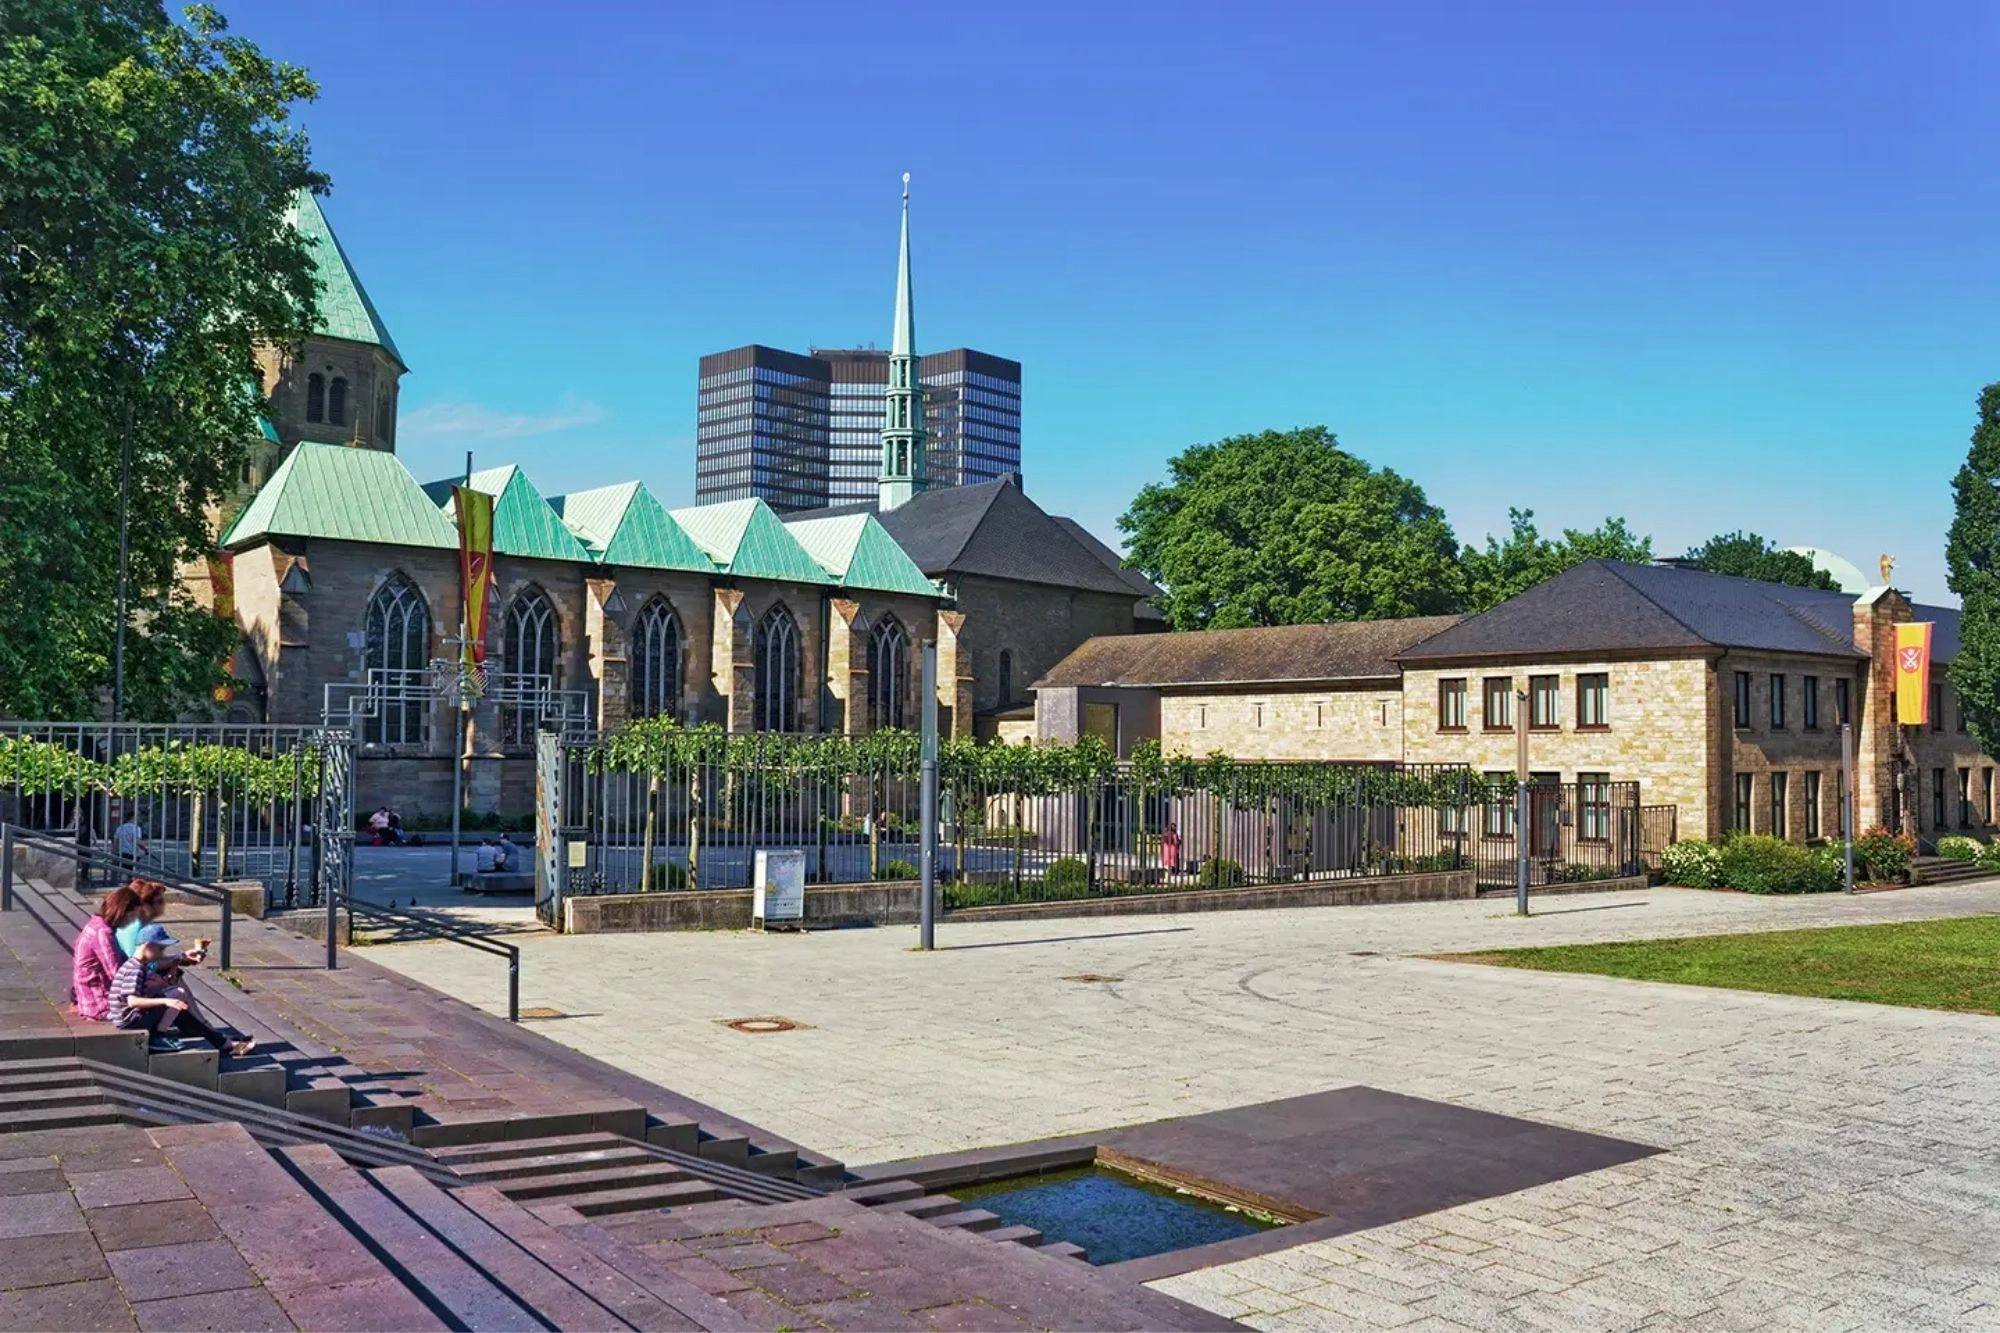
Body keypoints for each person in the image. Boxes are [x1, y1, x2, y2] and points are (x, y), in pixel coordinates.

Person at [108, 925, 254, 1056]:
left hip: (130, 1017)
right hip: (129, 1020)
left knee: (178, 996)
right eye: (160, 949)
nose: (161, 953)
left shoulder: (136, 965)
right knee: (177, 1004)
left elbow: (145, 990)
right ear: (147, 946)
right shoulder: (135, 969)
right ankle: (158, 1038)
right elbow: (132, 1001)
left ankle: (221, 1042)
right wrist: (166, 1000)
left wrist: (176, 965)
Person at [71, 885, 134, 1020]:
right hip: (100, 1003)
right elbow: (116, 974)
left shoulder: (96, 924)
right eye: (133, 915)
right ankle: (160, 1036)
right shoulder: (102, 933)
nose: (133, 921)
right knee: (162, 995)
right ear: (124, 912)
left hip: (91, 998)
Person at [113, 879, 169, 962]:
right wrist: (173, 961)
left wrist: (180, 957)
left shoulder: (146, 924)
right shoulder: (134, 927)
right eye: (160, 901)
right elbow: (136, 963)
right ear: (144, 905)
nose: (164, 904)